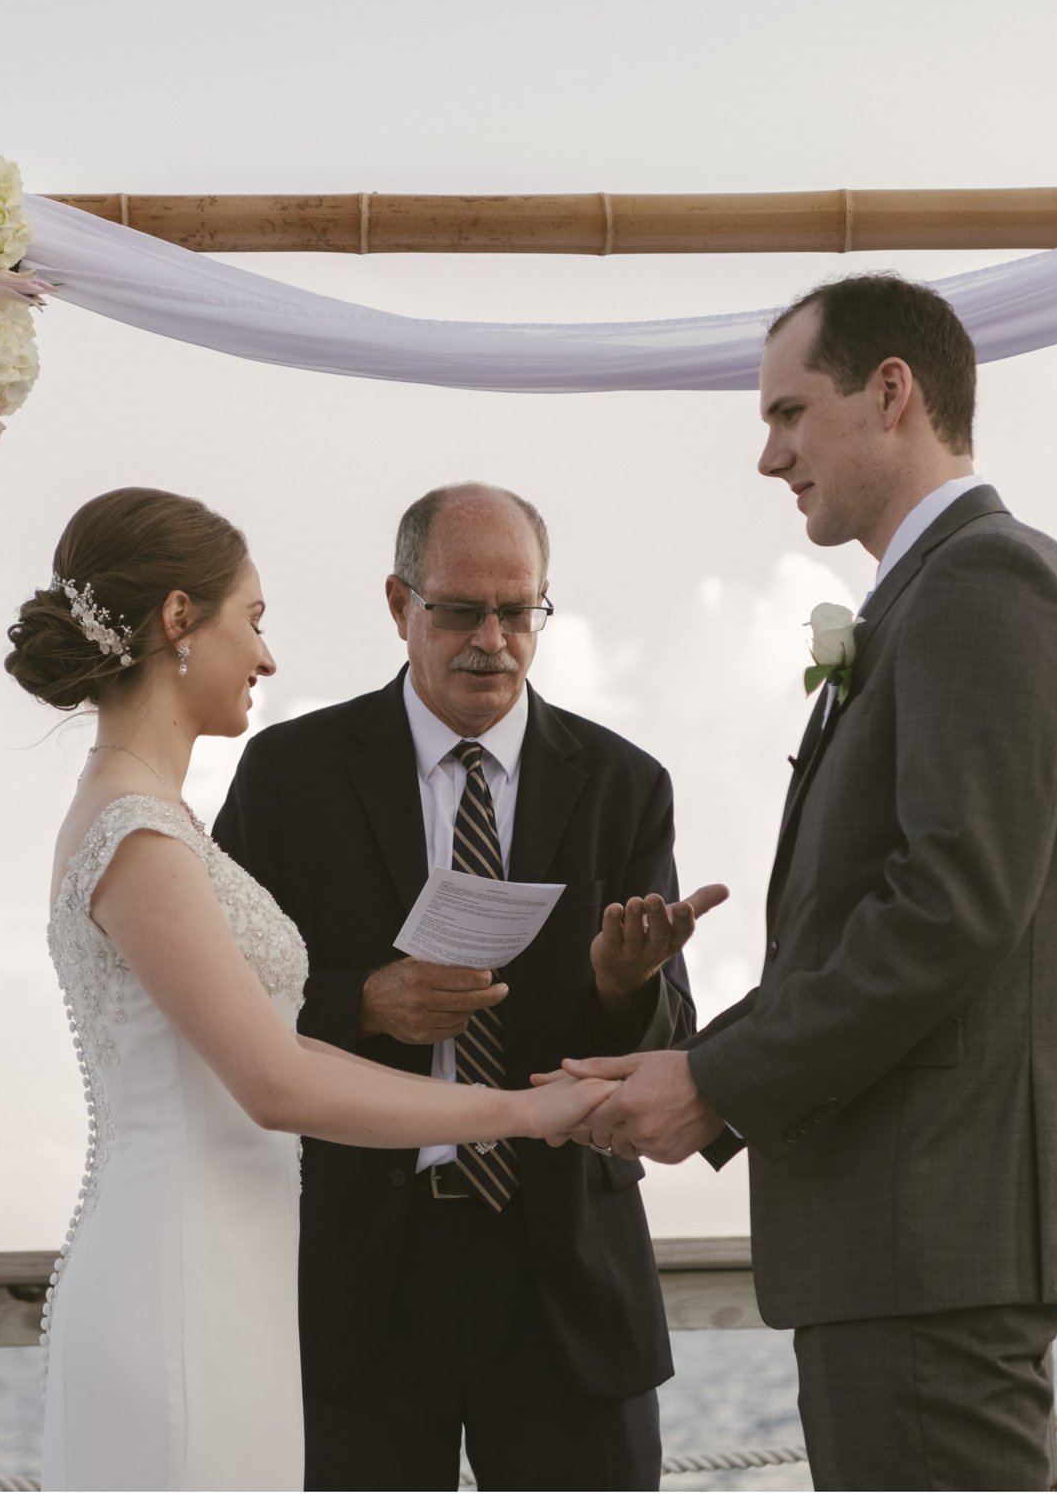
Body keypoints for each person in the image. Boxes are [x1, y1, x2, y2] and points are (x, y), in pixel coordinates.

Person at [548, 275, 1057, 1490]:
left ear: (891, 393)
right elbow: (890, 920)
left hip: (926, 1237)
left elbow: (946, 909)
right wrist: (697, 1064)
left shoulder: (986, 586)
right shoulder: (936, 593)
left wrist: (713, 1079)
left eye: (788, 413)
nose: (769, 456)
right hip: (895, 1241)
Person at [10, 486, 618, 1492]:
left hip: (233, 1273)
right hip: (178, 1281)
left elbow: (285, 1049)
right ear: (177, 623)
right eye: (249, 619)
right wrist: (516, 1108)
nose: (265, 655)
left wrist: (517, 1109)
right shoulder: (136, 834)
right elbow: (275, 1082)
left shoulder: (156, 817)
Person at [213, 483, 725, 1491]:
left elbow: (669, 1039)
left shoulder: (625, 783)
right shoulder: (288, 774)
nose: (491, 638)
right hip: (354, 1276)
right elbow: (216, 1009)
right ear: (399, 604)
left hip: (566, 1276)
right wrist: (361, 1002)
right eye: (459, 610)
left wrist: (623, 986)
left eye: (517, 610)